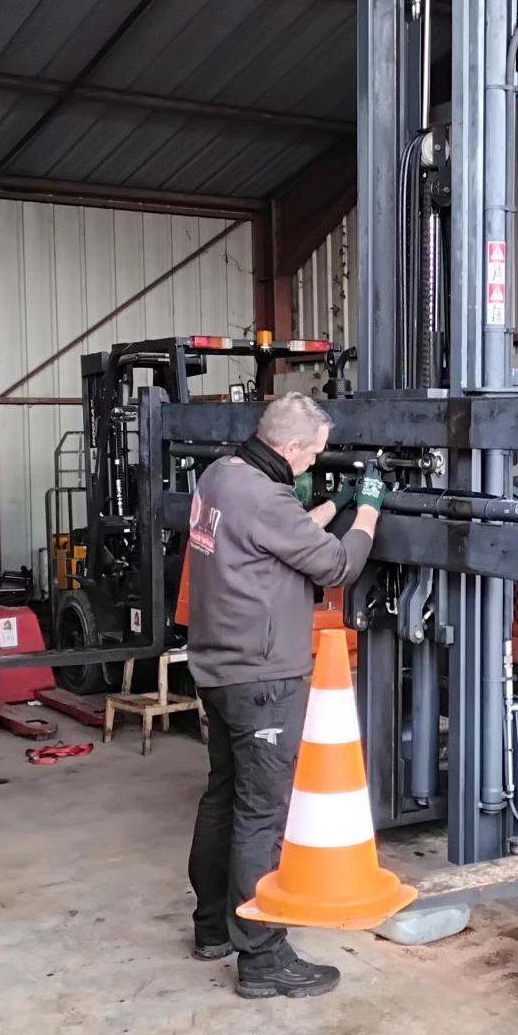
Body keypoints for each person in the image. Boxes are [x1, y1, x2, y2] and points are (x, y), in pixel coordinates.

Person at [182, 391, 384, 999]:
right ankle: (263, 958)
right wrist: (368, 511)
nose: (312, 462)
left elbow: (276, 535)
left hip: (217, 668)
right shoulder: (266, 496)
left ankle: (213, 926)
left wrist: (330, 504)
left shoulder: (221, 476)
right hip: (263, 677)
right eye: (313, 454)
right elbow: (336, 567)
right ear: (290, 446)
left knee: (223, 797)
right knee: (261, 816)